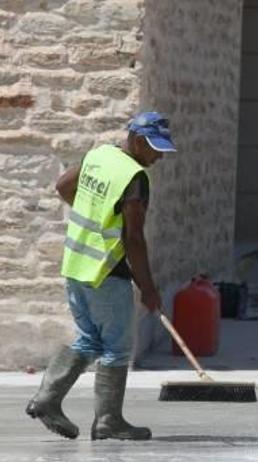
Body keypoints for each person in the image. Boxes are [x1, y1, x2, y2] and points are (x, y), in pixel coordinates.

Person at [26, 111, 176, 441]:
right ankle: (109, 421)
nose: (160, 156)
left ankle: (47, 398)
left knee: (90, 339)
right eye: (155, 147)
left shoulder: (100, 155)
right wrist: (149, 288)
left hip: (77, 265)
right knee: (117, 348)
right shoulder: (134, 177)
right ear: (137, 141)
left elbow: (64, 186)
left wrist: (92, 215)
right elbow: (133, 238)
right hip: (107, 272)